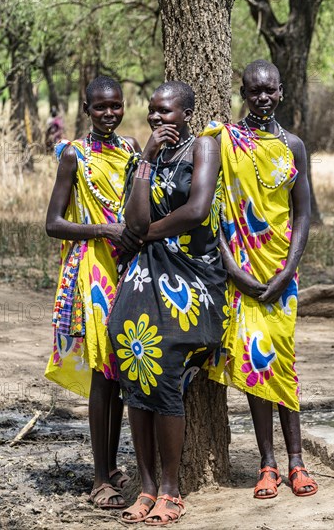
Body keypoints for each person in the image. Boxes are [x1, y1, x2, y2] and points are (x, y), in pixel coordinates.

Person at [107, 81, 229, 524]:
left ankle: (171, 488)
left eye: (167, 112)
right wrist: (144, 160)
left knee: (160, 351)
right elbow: (133, 219)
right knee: (127, 342)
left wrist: (147, 234)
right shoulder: (145, 158)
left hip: (195, 274)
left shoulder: (205, 149)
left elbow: (197, 210)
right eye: (153, 113)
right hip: (148, 269)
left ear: (187, 114)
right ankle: (145, 485)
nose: (158, 119)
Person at [202, 60, 318, 499]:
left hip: (282, 275)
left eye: (270, 90)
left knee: (282, 361)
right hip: (239, 274)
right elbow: (210, 212)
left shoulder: (294, 146)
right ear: (243, 94)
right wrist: (233, 270)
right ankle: (268, 464)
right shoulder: (224, 142)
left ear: (282, 92)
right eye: (254, 91)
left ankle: (297, 461)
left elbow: (303, 213)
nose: (263, 98)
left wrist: (288, 268)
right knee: (255, 362)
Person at [45, 76, 142, 508]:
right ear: (87, 109)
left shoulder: (131, 150)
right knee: (104, 372)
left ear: (124, 106)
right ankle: (100, 476)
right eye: (100, 107)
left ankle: (114, 465)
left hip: (128, 267)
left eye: (115, 106)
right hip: (92, 270)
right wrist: (103, 229)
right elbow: (53, 223)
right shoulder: (73, 155)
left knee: (120, 369)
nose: (108, 114)